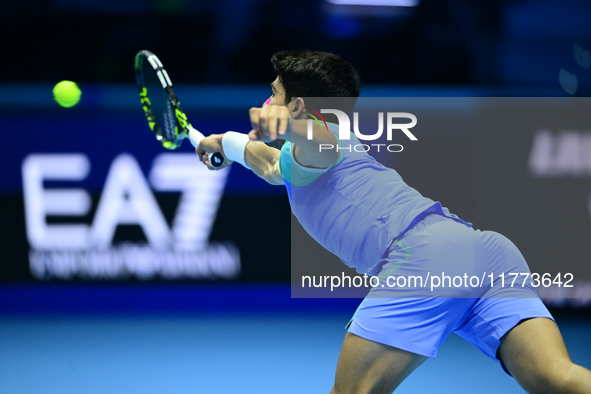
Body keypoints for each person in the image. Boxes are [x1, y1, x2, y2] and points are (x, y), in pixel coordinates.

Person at [196, 50, 591, 394]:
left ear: (297, 106)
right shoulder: (306, 160)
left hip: (424, 260)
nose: (267, 99)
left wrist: (284, 127)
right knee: (557, 380)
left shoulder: (324, 140)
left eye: (275, 93)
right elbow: (268, 164)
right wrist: (227, 143)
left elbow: (318, 142)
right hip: (483, 251)